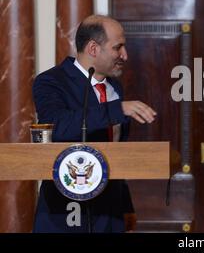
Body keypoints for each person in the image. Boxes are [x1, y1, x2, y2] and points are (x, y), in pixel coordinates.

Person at [32, 15, 157, 232]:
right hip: (65, 211)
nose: (125, 55)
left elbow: (116, 153)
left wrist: (126, 206)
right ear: (93, 49)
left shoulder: (115, 88)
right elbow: (58, 126)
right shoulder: (51, 81)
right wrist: (117, 109)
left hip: (110, 214)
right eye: (118, 47)